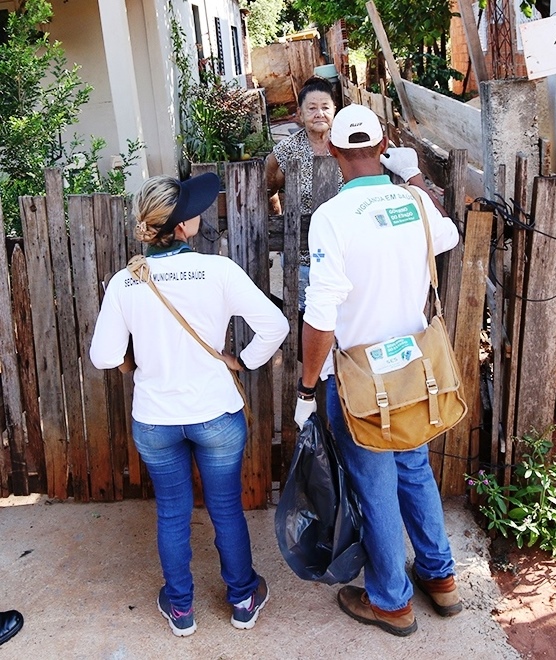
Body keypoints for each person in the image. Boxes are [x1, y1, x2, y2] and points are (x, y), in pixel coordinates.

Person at [90, 173, 289, 637]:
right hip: (216, 413)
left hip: (156, 420)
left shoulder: (127, 281)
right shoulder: (218, 271)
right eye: (193, 212)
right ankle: (242, 597)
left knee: (172, 511)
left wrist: (133, 365)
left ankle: (180, 608)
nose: (200, 215)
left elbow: (103, 355)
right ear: (180, 228)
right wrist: (242, 361)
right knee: (225, 509)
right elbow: (275, 325)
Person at [294, 104, 462, 637]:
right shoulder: (413, 200)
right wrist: (411, 174)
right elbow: (449, 237)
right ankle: (440, 577)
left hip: (361, 380)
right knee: (413, 468)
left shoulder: (332, 218)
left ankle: (391, 600)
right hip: (414, 370)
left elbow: (320, 317)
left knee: (374, 484)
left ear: (336, 152)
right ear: (384, 143)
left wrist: (305, 387)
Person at [265, 75, 343, 310]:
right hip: (301, 253)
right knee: (305, 314)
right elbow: (268, 185)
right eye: (312, 108)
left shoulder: (345, 144)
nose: (319, 113)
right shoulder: (288, 148)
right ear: (299, 114)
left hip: (342, 253)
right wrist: (278, 219)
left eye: (325, 107)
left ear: (334, 110)